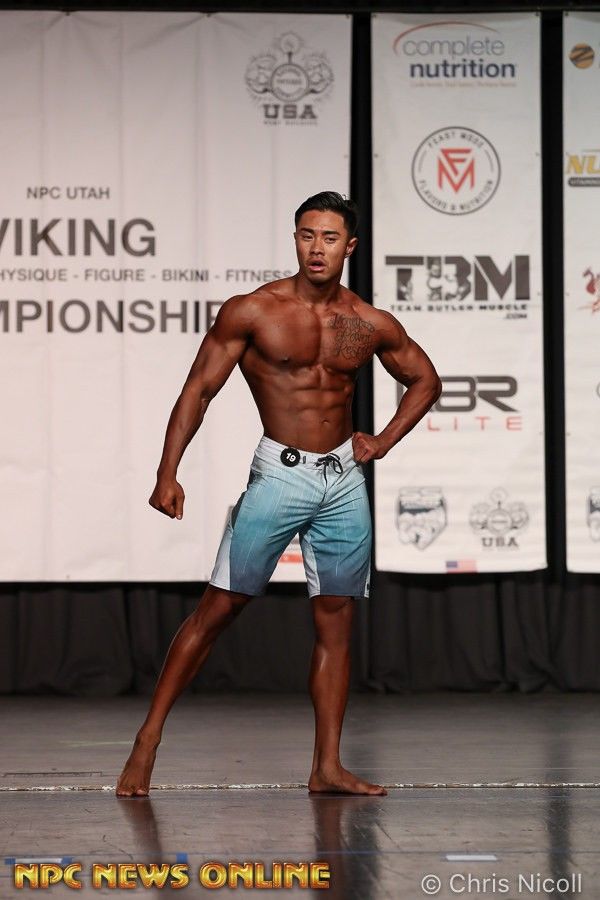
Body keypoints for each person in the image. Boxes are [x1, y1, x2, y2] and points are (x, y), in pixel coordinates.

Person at [116, 191, 441, 798]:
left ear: (350, 247)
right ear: (295, 239)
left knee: (336, 621)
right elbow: (198, 390)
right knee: (218, 609)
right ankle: (148, 738)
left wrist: (382, 442)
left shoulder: (368, 322)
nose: (317, 248)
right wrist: (168, 471)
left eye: (329, 238)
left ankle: (327, 766)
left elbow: (425, 379)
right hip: (280, 475)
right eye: (307, 235)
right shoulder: (253, 311)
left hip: (343, 480)